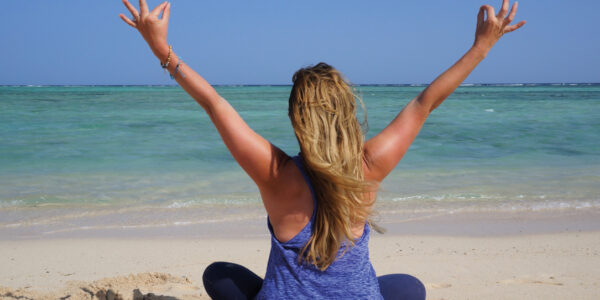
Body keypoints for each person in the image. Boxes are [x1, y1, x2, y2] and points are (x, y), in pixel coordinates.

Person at [119, 0, 525, 299]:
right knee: (410, 289)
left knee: (218, 275)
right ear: (348, 112)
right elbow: (425, 103)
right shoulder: (370, 165)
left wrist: (163, 52)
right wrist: (482, 47)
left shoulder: (275, 173)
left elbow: (214, 104)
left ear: (297, 118)